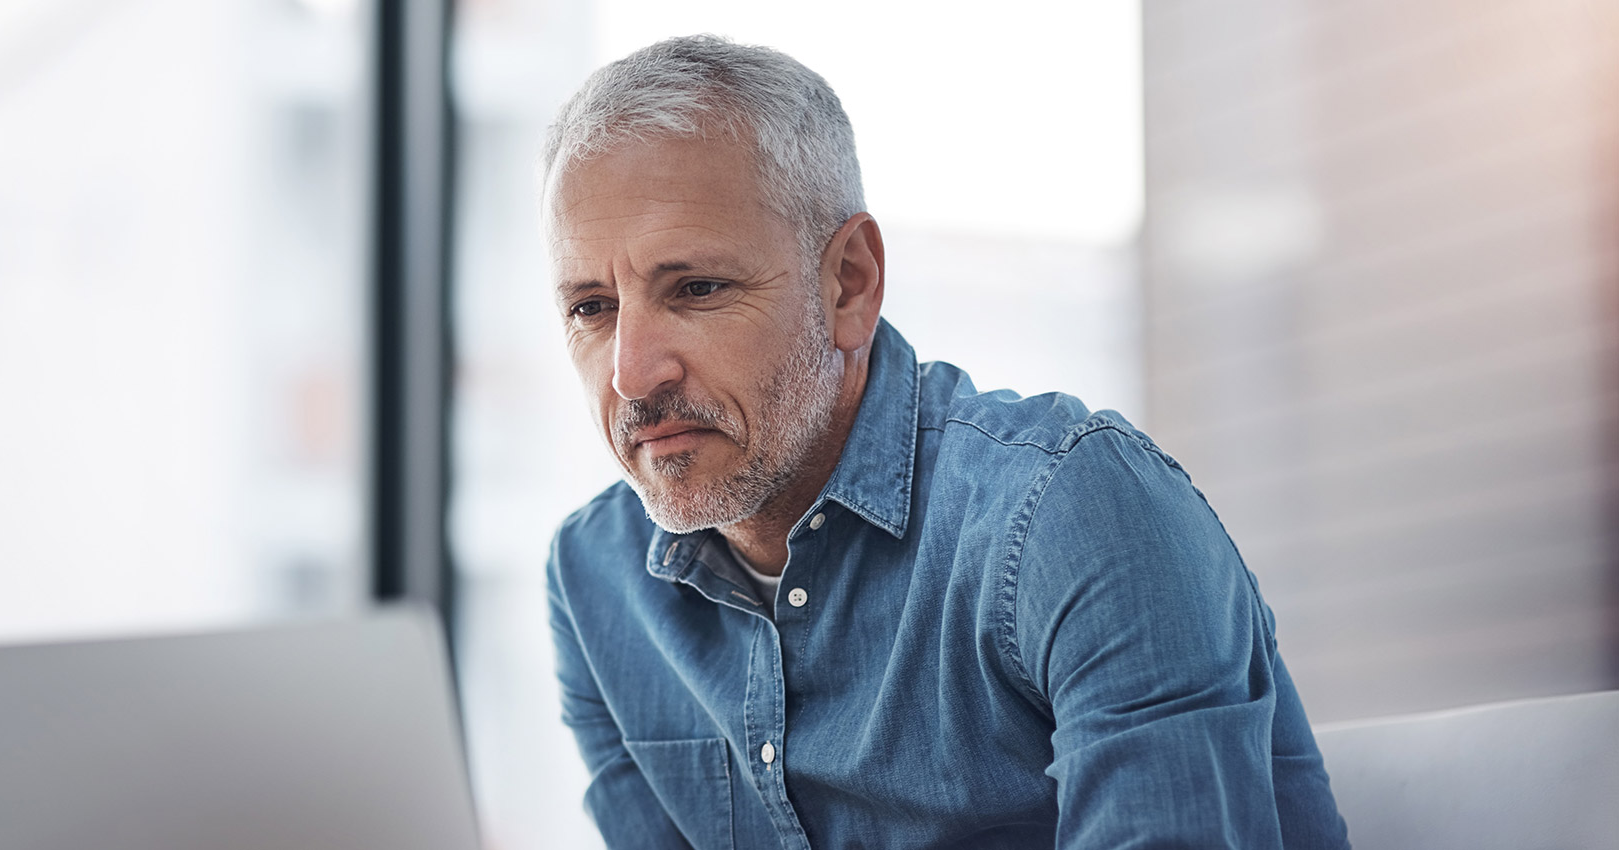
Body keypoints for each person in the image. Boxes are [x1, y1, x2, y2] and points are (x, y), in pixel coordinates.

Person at [540, 35, 1348, 850]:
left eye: (698, 288)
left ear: (848, 283)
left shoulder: (1071, 513)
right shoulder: (595, 575)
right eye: (590, 308)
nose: (631, 376)